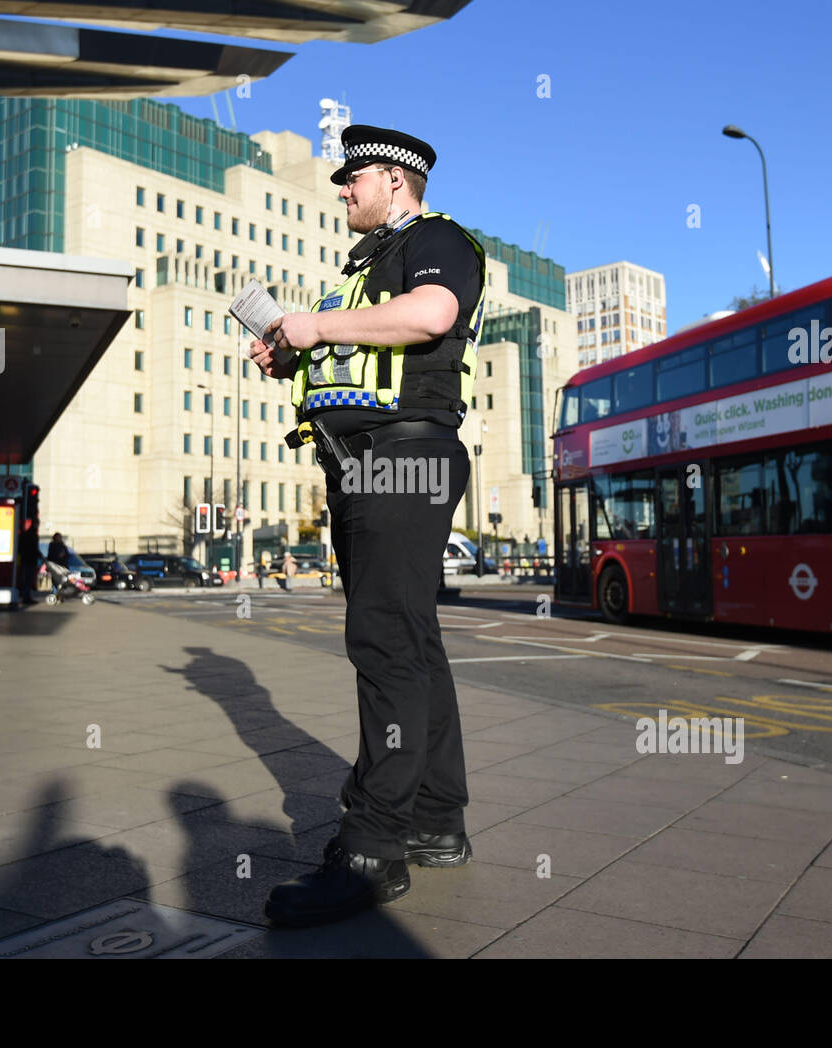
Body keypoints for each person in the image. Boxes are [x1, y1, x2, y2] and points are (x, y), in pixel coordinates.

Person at [251, 124, 486, 927]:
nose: (342, 189)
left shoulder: (440, 242)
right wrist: (294, 353)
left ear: (395, 179)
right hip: (362, 461)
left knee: (383, 641)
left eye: (352, 177)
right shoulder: (358, 272)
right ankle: (435, 819)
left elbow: (432, 314)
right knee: (412, 640)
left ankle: (371, 848)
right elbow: (364, 354)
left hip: (406, 455)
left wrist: (317, 328)